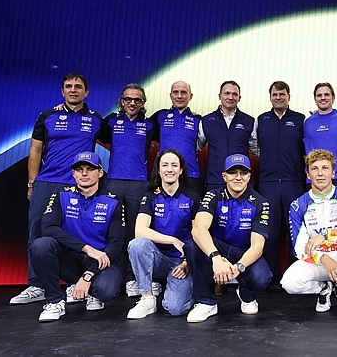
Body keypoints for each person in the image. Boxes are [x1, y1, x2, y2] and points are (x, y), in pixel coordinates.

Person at [10, 73, 102, 306]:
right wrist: (32, 182)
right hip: (46, 182)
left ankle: (74, 282)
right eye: (68, 86)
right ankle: (37, 285)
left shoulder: (96, 119)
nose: (73, 90)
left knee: (76, 235)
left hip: (78, 185)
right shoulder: (47, 116)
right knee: (37, 233)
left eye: (78, 86)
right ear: (62, 91)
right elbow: (35, 151)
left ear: (86, 92)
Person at [30, 152, 124, 322]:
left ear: (100, 173)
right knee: (41, 245)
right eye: (79, 169)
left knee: (105, 291)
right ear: (73, 174)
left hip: (101, 262)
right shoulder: (61, 195)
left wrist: (88, 275)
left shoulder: (113, 201)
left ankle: (90, 291)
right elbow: (48, 228)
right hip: (70, 259)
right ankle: (55, 301)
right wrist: (86, 248)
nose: (84, 173)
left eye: (90, 169)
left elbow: (116, 244)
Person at [281, 149, 337, 323]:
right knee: (290, 283)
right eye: (314, 169)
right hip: (319, 260)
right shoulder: (297, 205)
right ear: (308, 174)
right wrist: (323, 258)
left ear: (333, 173)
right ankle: (324, 287)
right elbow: (299, 247)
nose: (320, 173)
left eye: (325, 168)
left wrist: (326, 235)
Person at [186, 154, 271, 322]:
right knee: (192, 245)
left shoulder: (260, 202)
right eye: (233, 172)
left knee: (262, 277)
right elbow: (198, 229)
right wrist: (216, 258)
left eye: (243, 173)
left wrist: (237, 268)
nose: (238, 177)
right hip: (219, 248)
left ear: (249, 176)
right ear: (224, 176)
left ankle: (247, 296)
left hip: (243, 252)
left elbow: (257, 246)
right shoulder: (213, 196)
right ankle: (206, 302)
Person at [99, 83, 158, 298]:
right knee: (113, 231)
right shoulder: (109, 122)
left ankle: (134, 278)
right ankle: (111, 276)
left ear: (143, 103)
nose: (132, 103)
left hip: (139, 184)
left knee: (136, 233)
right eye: (128, 99)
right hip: (113, 182)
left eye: (137, 100)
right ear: (121, 101)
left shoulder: (151, 125)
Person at [126, 149, 200, 319]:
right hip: (157, 259)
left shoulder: (192, 198)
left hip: (181, 263)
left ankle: (186, 290)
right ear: (158, 170)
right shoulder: (150, 197)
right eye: (165, 165)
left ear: (181, 170)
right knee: (137, 244)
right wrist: (172, 240)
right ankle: (147, 298)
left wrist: (188, 263)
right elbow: (139, 230)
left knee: (175, 308)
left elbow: (198, 234)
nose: (169, 169)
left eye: (174, 165)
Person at [256, 81, 306, 292]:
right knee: (271, 233)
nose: (278, 98)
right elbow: (255, 146)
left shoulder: (300, 120)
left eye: (282, 94)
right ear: (270, 97)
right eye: (275, 94)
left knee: (296, 232)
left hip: (294, 183)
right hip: (268, 184)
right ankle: (272, 277)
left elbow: (305, 147)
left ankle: (298, 275)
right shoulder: (262, 120)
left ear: (288, 96)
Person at [198, 81, 259, 191]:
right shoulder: (206, 121)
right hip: (215, 181)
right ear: (220, 96)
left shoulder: (249, 121)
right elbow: (196, 147)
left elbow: (256, 150)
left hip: (241, 181)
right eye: (227, 93)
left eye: (234, 94)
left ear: (239, 98)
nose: (230, 97)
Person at [151, 81, 205, 198]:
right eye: (176, 92)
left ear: (190, 96)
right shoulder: (159, 116)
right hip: (165, 174)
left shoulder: (198, 119)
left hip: (191, 175)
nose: (179, 96)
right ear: (171, 96)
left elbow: (201, 144)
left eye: (183, 92)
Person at [303, 83, 337, 186]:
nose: (323, 98)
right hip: (314, 178)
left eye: (327, 95)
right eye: (319, 95)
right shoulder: (308, 123)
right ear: (315, 99)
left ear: (333, 97)